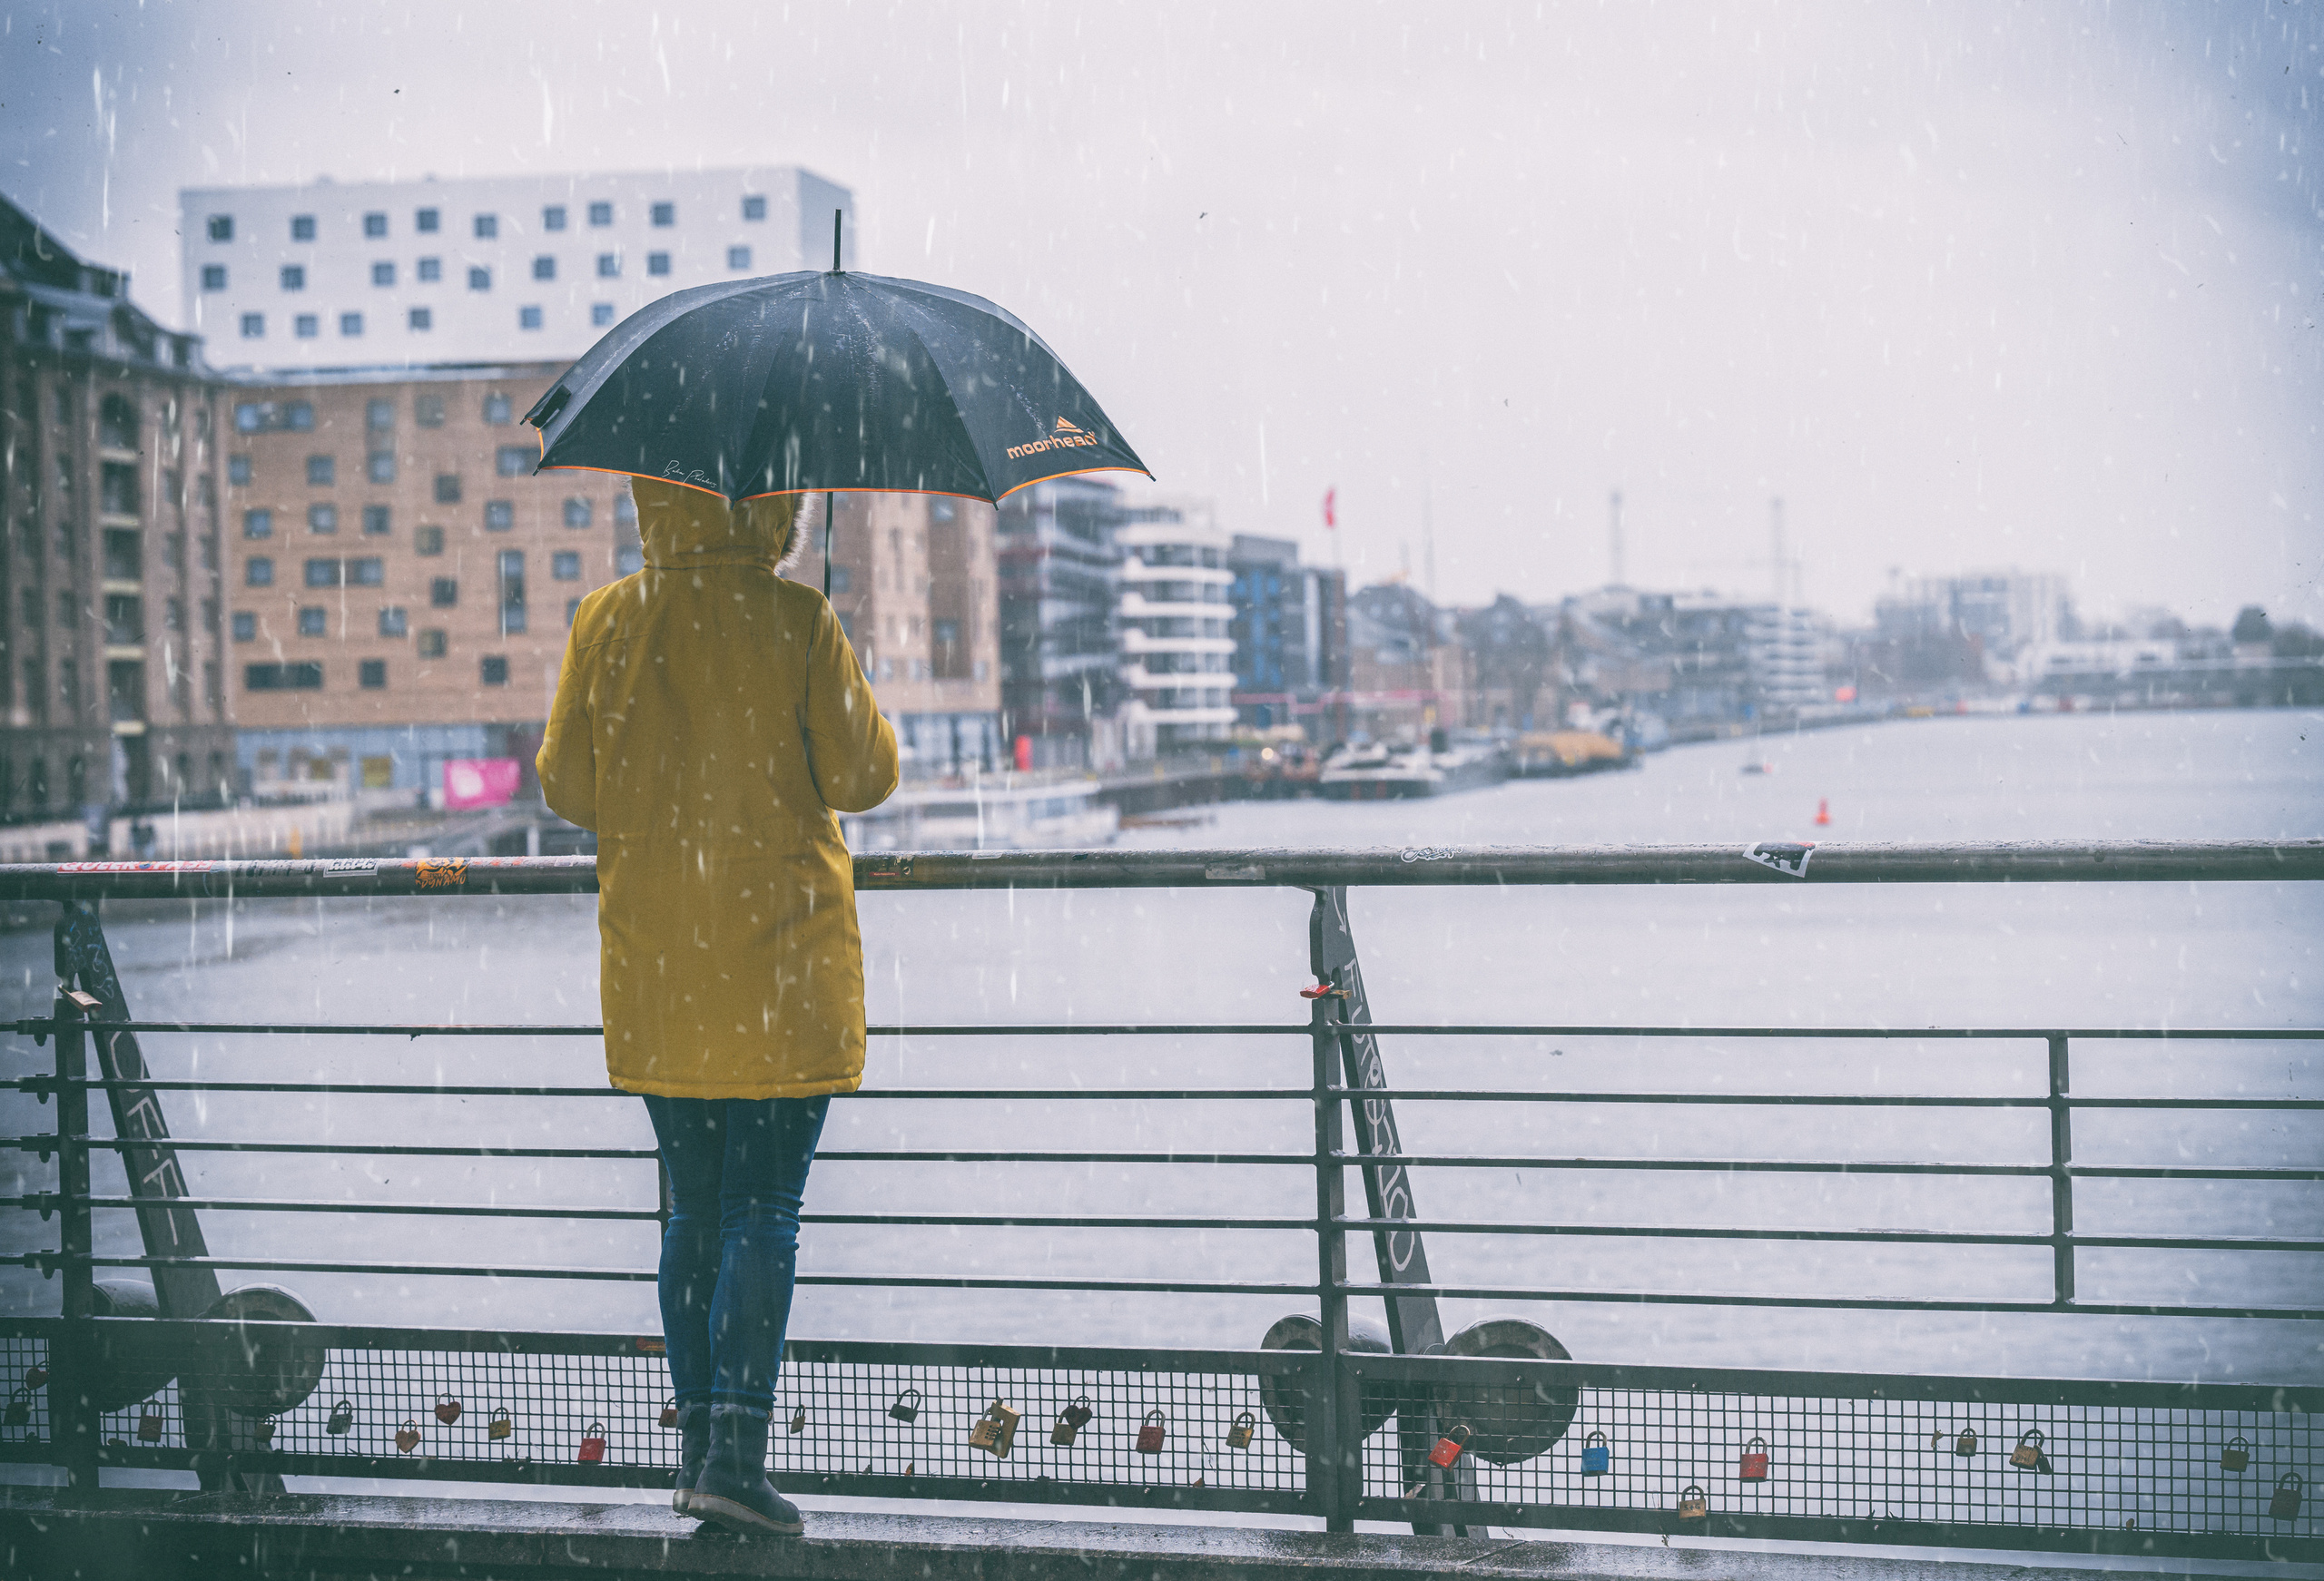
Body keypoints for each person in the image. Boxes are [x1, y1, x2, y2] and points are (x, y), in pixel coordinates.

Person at [538, 478, 897, 1536]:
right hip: (780, 962)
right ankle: (736, 1455)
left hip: (662, 965)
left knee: (694, 1210)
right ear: (776, 507)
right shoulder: (796, 618)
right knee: (762, 1211)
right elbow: (866, 774)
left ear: (655, 497)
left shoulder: (605, 618)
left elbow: (566, 787)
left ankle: (701, 1448)